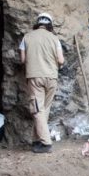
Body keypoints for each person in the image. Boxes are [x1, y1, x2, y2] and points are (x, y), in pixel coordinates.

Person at [19, 12, 65, 153]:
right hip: (52, 78)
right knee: (43, 110)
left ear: (37, 23)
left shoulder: (26, 37)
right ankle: (37, 140)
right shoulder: (54, 38)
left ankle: (46, 143)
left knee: (37, 110)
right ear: (49, 25)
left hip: (35, 77)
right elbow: (61, 60)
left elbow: (22, 60)